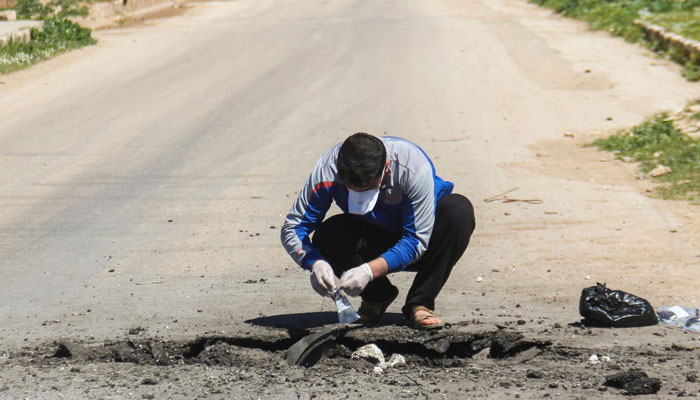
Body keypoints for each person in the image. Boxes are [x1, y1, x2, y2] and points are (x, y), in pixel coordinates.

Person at [280, 133, 475, 329]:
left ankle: (420, 303)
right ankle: (377, 297)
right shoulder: (327, 171)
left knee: (458, 212)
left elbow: (415, 241)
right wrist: (314, 262)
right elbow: (293, 228)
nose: (361, 194)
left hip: (422, 239)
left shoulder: (412, 166)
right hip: (372, 234)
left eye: (369, 188)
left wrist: (368, 271)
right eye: (353, 189)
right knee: (329, 233)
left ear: (386, 167)